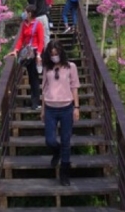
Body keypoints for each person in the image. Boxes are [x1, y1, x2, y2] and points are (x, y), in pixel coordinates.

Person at [40, 40, 80, 186]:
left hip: (66, 108)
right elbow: (44, 89)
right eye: (51, 54)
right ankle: (56, 152)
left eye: (56, 54)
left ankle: (64, 173)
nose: (54, 56)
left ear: (61, 53)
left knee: (66, 141)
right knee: (49, 140)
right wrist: (43, 109)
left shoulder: (71, 67)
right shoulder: (47, 68)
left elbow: (75, 87)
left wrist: (77, 107)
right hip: (50, 107)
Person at [11, 4, 45, 109]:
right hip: (27, 53)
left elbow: (41, 41)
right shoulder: (25, 24)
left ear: (30, 13)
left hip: (34, 52)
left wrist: (39, 54)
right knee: (31, 76)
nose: (24, 13)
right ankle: (33, 100)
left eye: (25, 11)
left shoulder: (38, 25)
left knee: (34, 77)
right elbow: (21, 38)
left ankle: (36, 102)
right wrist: (16, 50)